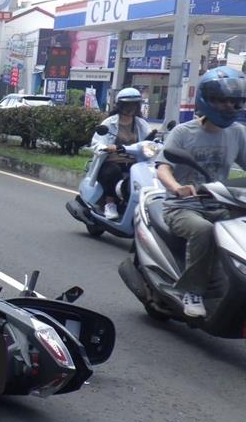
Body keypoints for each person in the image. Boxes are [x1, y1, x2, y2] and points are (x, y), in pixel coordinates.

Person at [156, 66, 246, 318]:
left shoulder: (238, 133)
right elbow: (163, 168)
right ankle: (192, 291)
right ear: (206, 100)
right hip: (182, 207)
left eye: (233, 101)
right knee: (204, 230)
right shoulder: (184, 133)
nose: (228, 106)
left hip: (221, 204)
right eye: (220, 100)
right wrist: (177, 188)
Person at [92, 87, 153, 220]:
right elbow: (97, 143)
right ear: (120, 105)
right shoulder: (109, 122)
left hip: (134, 162)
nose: (130, 108)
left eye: (134, 104)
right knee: (113, 172)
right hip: (112, 161)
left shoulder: (141, 124)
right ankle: (110, 203)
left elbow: (150, 140)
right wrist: (106, 147)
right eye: (127, 104)